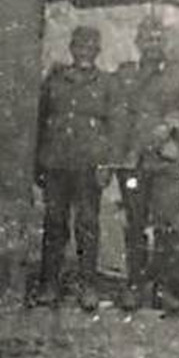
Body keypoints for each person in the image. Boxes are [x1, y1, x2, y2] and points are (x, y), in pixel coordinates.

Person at [113, 13, 179, 314]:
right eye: (147, 38)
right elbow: (116, 113)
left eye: (158, 39)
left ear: (165, 43)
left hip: (165, 164)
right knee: (134, 225)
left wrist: (169, 124)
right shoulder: (126, 74)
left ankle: (164, 287)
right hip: (134, 163)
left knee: (167, 225)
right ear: (137, 42)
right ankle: (134, 285)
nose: (152, 44)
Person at [34, 25, 116, 310]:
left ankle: (88, 285)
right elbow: (41, 120)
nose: (85, 50)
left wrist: (106, 164)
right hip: (56, 162)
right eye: (80, 45)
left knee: (87, 225)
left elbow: (113, 128)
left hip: (88, 166)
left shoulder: (106, 84)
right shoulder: (54, 81)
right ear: (72, 48)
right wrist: (38, 162)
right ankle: (48, 284)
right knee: (54, 223)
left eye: (91, 46)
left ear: (98, 50)